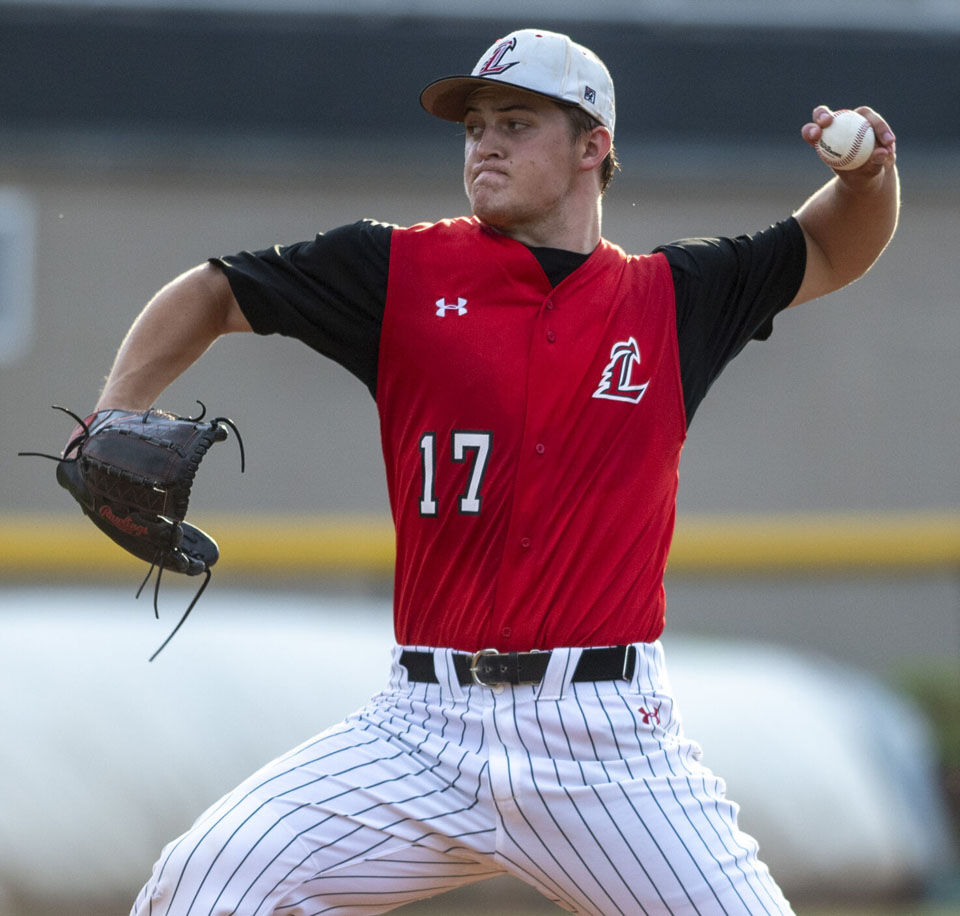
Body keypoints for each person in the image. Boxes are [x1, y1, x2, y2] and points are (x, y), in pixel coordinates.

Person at [94, 27, 897, 916]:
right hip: (419, 732)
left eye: (517, 122)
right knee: (201, 883)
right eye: (476, 124)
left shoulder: (673, 297)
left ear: (593, 146)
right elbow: (212, 291)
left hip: (606, 747)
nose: (485, 142)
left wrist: (866, 176)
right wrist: (110, 413)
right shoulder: (396, 268)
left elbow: (830, 249)